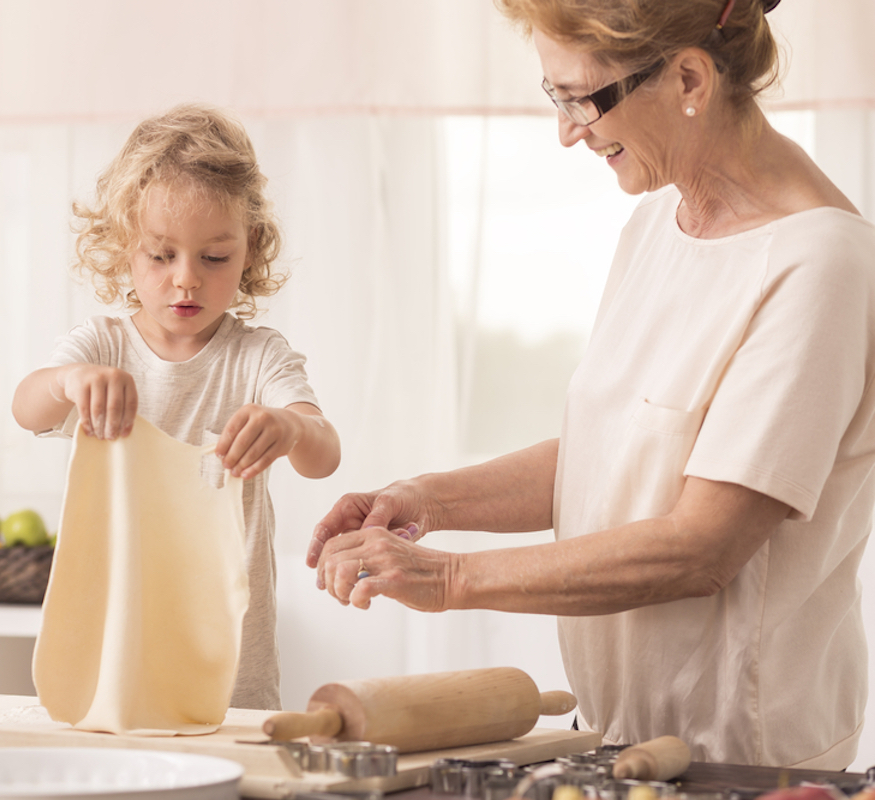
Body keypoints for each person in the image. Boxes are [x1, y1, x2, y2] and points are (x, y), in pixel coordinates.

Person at [309, 0, 875, 769]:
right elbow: (609, 454)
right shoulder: (657, 224)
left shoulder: (822, 265)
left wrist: (445, 579)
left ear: (687, 77)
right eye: (556, 97)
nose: (568, 130)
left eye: (583, 97)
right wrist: (428, 500)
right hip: (617, 743)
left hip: (743, 761)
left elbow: (701, 548)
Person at [13, 103, 341, 711]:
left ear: (250, 251)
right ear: (121, 250)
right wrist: (68, 382)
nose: (186, 279)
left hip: (230, 660)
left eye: (213, 257)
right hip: (115, 645)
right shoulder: (101, 345)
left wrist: (292, 427)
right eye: (161, 256)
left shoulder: (257, 357)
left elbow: (324, 454)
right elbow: (26, 408)